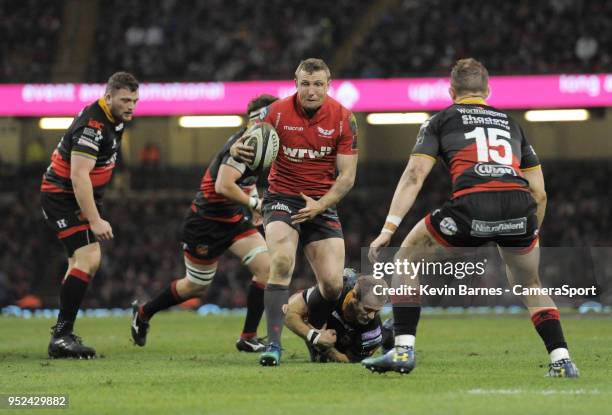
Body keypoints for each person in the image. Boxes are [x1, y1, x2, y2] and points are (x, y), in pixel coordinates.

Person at [363, 58, 579, 377]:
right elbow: (540, 193)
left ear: (451, 92)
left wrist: (388, 228)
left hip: (472, 203)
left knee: (406, 259)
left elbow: (414, 176)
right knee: (530, 283)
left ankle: (402, 351)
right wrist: (530, 234)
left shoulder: (440, 121)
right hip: (520, 207)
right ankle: (562, 360)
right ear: (488, 90)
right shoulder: (512, 124)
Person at [232, 58, 359, 366]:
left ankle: (312, 336)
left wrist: (322, 204)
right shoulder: (275, 112)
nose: (312, 91)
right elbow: (246, 139)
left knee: (332, 284)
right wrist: (238, 148)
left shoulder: (344, 119)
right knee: (282, 261)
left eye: (318, 84)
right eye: (305, 84)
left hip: (321, 202)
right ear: (296, 83)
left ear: (328, 85)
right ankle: (273, 346)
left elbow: (347, 177)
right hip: (282, 199)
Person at [130, 95, 278, 353]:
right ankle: (143, 312)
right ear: (258, 119)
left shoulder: (259, 141)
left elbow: (246, 179)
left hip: (232, 220)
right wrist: (255, 205)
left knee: (267, 269)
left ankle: (247, 337)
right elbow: (223, 185)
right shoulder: (245, 144)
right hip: (205, 223)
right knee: (195, 287)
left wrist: (251, 201)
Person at [41, 72, 139, 358]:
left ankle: (62, 334)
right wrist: (94, 218)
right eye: (125, 100)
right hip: (62, 197)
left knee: (80, 262)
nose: (131, 105)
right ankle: (60, 337)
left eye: (134, 100)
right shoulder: (93, 125)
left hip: (74, 197)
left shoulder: (113, 118)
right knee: (89, 257)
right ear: (108, 97)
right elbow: (78, 175)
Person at [285, 270, 390, 363]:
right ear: (353, 297)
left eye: (376, 311)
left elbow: (350, 359)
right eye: (367, 309)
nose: (371, 316)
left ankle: (389, 330)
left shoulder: (372, 331)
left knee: (384, 334)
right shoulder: (332, 292)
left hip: (349, 343)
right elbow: (288, 313)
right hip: (322, 329)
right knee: (309, 308)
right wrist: (315, 337)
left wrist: (326, 349)